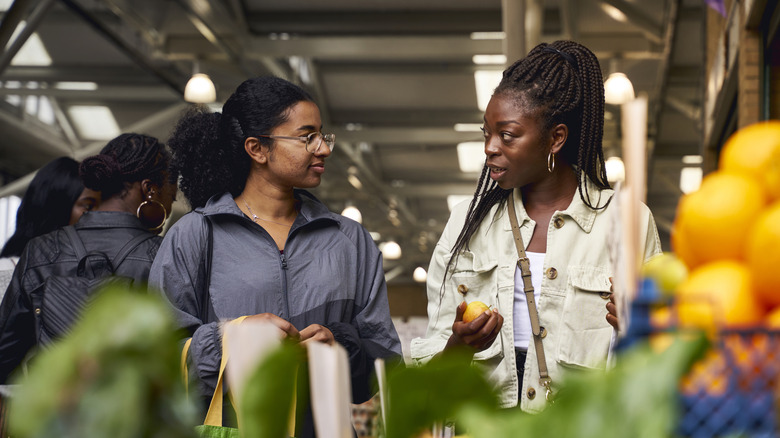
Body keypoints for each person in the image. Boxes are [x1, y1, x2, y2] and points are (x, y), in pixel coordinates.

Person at [410, 41, 661, 411]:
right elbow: (429, 370)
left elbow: (661, 364)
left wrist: (639, 332)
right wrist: (458, 347)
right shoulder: (467, 222)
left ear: (556, 138)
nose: (490, 148)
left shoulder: (626, 222)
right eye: (486, 133)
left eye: (507, 135)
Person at [149, 76, 402, 422]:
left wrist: (340, 347)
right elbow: (156, 359)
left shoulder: (349, 241)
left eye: (322, 136)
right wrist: (234, 339)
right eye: (306, 136)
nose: (324, 148)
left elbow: (387, 360)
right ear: (257, 149)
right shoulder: (196, 235)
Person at [0, 133, 177, 383]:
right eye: (171, 195)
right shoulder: (166, 255)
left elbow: (5, 354)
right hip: (133, 416)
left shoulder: (40, 250)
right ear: (150, 190)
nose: (169, 208)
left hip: (53, 412)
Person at [0, 157, 101, 299]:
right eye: (88, 206)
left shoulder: (92, 283)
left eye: (101, 208)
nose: (99, 216)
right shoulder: (6, 274)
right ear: (57, 209)